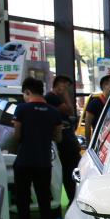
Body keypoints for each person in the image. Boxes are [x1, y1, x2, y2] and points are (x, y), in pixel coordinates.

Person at [11, 76, 63, 219]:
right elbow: (58, 137)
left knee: (23, 199)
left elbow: (16, 135)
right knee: (44, 199)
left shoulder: (21, 109)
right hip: (44, 161)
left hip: (24, 160)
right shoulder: (53, 111)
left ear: (27, 92)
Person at [46, 74, 81, 203]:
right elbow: (70, 111)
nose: (67, 90)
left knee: (72, 167)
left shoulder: (55, 99)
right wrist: (66, 95)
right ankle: (72, 197)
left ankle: (74, 196)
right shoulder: (52, 97)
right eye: (65, 86)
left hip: (67, 138)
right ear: (58, 84)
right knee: (69, 168)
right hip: (63, 141)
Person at [81, 73, 110, 139]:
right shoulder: (94, 103)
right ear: (105, 85)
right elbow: (87, 125)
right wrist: (88, 142)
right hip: (99, 139)